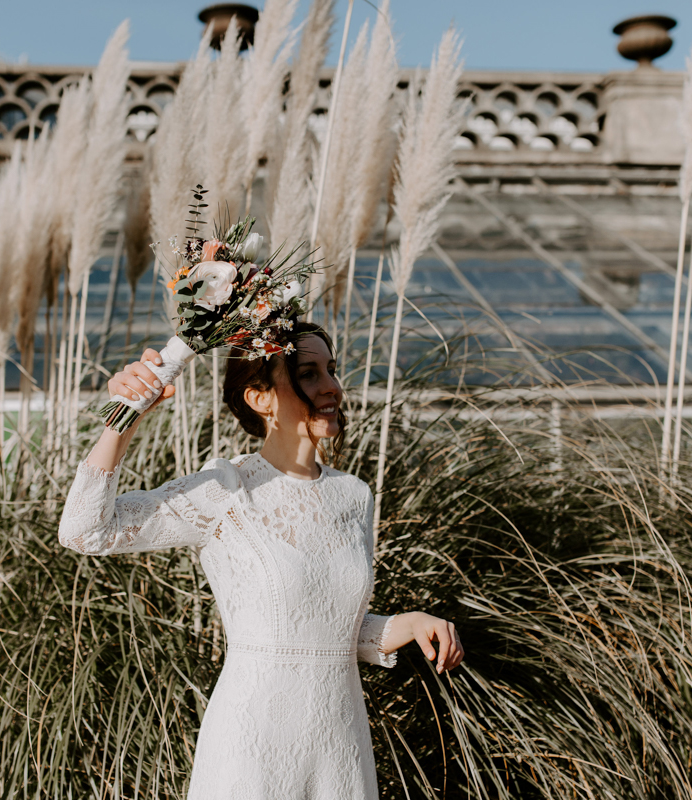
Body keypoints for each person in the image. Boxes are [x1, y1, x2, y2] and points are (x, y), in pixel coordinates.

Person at [58, 321, 464, 799]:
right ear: (260, 397)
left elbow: (326, 628)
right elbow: (85, 530)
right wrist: (125, 413)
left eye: (331, 370)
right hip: (253, 744)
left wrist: (410, 623)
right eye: (309, 373)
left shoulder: (353, 496)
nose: (332, 386)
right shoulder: (226, 492)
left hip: (339, 745)